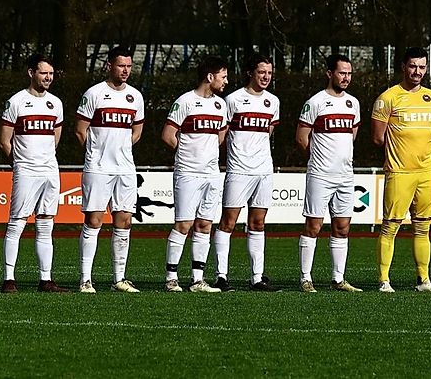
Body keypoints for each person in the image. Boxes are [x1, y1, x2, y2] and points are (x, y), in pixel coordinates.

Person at [371, 47, 431, 293]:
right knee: (391, 226)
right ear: (403, 67)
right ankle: (384, 280)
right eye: (413, 66)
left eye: (422, 67)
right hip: (399, 172)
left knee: (423, 227)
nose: (417, 71)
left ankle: (423, 280)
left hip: (425, 171)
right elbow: (378, 137)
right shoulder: (388, 97)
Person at [75, 46, 145, 293]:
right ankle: (85, 279)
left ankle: (119, 279)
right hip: (98, 168)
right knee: (94, 221)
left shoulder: (135, 96)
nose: (125, 70)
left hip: (125, 169)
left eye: (128, 66)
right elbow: (80, 130)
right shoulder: (94, 94)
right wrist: (96, 153)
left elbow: (137, 131)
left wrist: (122, 149)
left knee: (124, 221)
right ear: (109, 66)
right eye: (121, 66)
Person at [0, 54, 68, 293]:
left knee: (46, 223)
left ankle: (46, 280)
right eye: (43, 73)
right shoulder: (16, 101)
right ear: (31, 73)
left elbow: (55, 138)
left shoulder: (56, 103)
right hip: (26, 170)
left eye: (50, 73)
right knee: (17, 222)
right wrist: (19, 163)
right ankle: (9, 279)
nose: (48, 77)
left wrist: (45, 159)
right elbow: (4, 140)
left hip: (50, 170)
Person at [161, 55, 229, 293]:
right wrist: (189, 154)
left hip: (211, 174)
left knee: (204, 225)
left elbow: (220, 136)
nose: (226, 81)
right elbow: (169, 135)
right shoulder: (185, 102)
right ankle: (171, 278)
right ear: (210, 77)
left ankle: (197, 280)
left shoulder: (221, 105)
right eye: (223, 76)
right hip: (188, 173)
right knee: (183, 224)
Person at [211, 53, 279, 292]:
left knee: (258, 223)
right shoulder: (233, 100)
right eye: (262, 72)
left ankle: (257, 277)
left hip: (264, 171)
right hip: (239, 170)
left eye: (269, 73)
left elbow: (269, 132)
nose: (266, 77)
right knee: (228, 222)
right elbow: (222, 133)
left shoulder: (273, 102)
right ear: (250, 73)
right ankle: (221, 275)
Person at [296, 54, 362, 293]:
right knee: (313, 225)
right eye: (342, 73)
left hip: (345, 175)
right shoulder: (315, 102)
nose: (346, 78)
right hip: (320, 174)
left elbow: (353, 132)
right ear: (330, 74)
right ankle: (305, 278)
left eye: (349, 73)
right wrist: (320, 159)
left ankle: (338, 279)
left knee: (342, 227)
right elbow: (302, 138)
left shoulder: (353, 103)